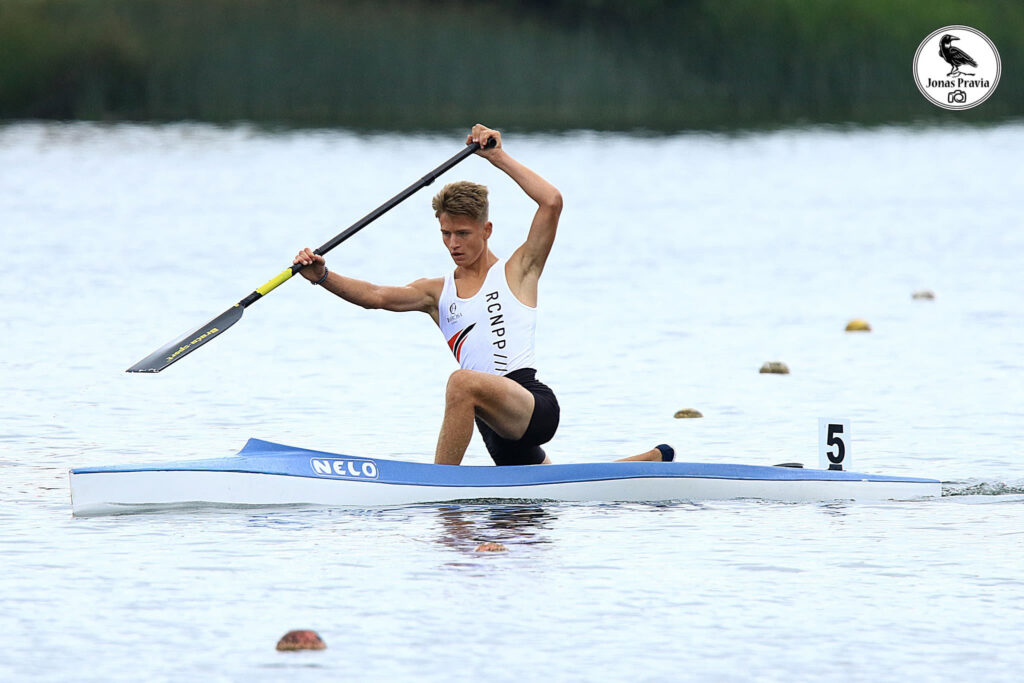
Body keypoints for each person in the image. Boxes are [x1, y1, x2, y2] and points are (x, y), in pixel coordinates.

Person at [294, 124, 672, 466]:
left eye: (463, 234)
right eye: (446, 234)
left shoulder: (519, 270)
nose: (453, 244)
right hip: (491, 425)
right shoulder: (435, 292)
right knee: (546, 491)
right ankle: (651, 462)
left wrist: (497, 157)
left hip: (530, 404)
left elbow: (551, 202)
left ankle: (436, 487)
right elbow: (375, 295)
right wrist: (323, 275)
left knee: (461, 381)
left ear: (486, 229)